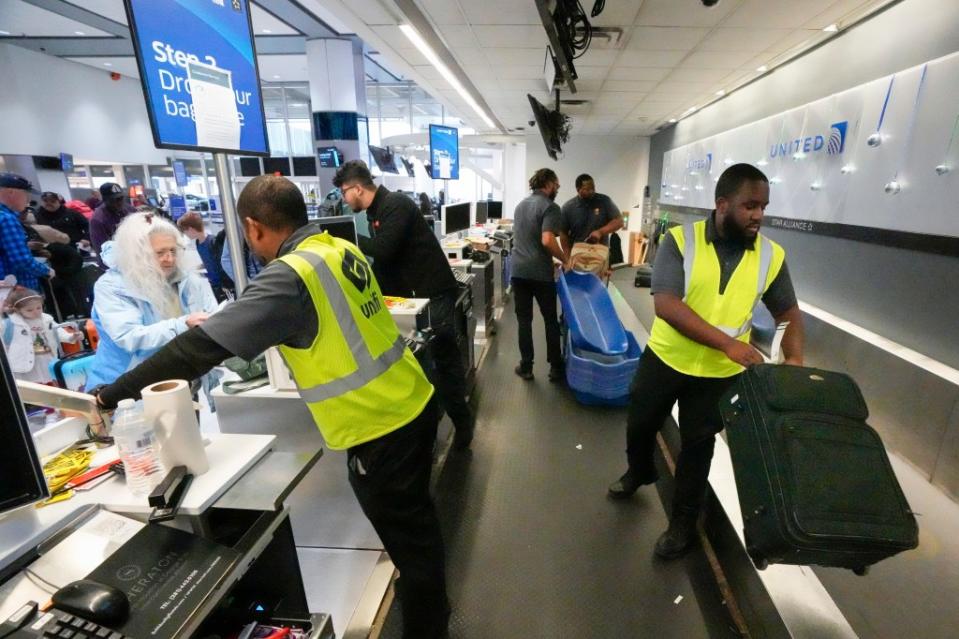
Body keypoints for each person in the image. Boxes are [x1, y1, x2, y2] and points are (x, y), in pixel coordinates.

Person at [92, 176, 450, 639]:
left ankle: (429, 625)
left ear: (253, 226)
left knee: (413, 547)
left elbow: (198, 348)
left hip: (378, 427)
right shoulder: (337, 248)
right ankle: (428, 601)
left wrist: (110, 393)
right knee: (418, 529)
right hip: (412, 399)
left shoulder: (290, 276)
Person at [607, 163, 804, 559]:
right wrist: (727, 344)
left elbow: (788, 310)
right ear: (722, 204)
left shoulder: (771, 255)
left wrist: (795, 356)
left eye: (763, 206)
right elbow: (666, 305)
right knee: (640, 423)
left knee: (698, 448)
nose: (758, 215)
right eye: (750, 206)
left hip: (719, 375)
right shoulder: (680, 241)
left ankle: (683, 525)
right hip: (666, 358)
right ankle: (640, 470)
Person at [334, 160, 474, 449]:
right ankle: (430, 438)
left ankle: (462, 429)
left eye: (344, 193)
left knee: (443, 364)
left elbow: (384, 250)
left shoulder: (395, 205)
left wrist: (345, 239)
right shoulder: (378, 210)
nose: (344, 201)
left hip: (433, 295)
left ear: (357, 188)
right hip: (415, 297)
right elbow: (389, 264)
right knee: (425, 366)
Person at [84, 212, 218, 389]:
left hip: (180, 381)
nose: (169, 259)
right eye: (160, 253)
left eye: (173, 250)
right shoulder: (112, 287)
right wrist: (183, 324)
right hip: (127, 390)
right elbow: (129, 337)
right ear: (137, 254)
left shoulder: (185, 279)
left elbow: (211, 315)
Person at [510, 168, 569, 382]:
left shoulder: (520, 205)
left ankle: (526, 367)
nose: (557, 189)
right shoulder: (551, 207)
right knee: (550, 320)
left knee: (524, 321)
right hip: (540, 274)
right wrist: (565, 259)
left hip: (518, 271)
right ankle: (555, 368)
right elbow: (546, 240)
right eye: (557, 185)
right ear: (549, 184)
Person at [2, 286, 81, 383]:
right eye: (29, 310)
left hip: (47, 357)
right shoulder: (11, 322)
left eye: (38, 308)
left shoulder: (47, 319)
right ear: (18, 310)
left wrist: (71, 337)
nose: (35, 312)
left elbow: (58, 332)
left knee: (51, 381)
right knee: (32, 387)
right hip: (24, 362)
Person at [0, 173, 55, 291]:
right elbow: (21, 261)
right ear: (11, 192)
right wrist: (46, 270)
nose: (28, 200)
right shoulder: (6, 219)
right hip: (17, 291)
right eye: (26, 194)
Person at [560, 174, 624, 249]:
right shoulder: (568, 207)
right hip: (578, 254)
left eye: (593, 188)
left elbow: (619, 221)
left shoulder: (604, 201)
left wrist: (600, 232)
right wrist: (567, 258)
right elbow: (563, 234)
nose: (592, 191)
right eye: (587, 189)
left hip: (600, 253)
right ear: (578, 189)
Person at [177, 212, 227, 302]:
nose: (185, 235)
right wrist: (197, 268)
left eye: (185, 231)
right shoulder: (198, 243)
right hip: (212, 284)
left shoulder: (212, 242)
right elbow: (208, 260)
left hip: (221, 285)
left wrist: (225, 284)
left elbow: (220, 263)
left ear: (191, 229)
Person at [90, 182, 133, 262]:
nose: (119, 203)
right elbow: (102, 252)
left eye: (121, 198)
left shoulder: (129, 209)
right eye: (115, 200)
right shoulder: (98, 220)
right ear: (105, 200)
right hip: (115, 260)